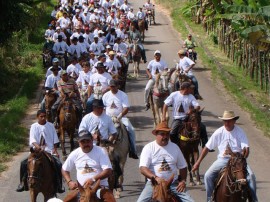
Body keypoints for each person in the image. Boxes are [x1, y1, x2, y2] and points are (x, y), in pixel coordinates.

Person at [192, 110, 258, 202]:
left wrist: (243, 156)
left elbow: (246, 147)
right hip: (222, 160)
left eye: (229, 120)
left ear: (234, 121)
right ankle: (210, 199)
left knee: (251, 176)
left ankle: (254, 200)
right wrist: (197, 163)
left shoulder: (240, 132)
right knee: (207, 176)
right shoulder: (219, 132)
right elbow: (207, 147)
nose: (227, 122)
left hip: (237, 160)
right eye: (225, 120)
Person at [137, 122, 194, 202]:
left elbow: (183, 166)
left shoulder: (175, 147)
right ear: (156, 134)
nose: (165, 136)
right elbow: (143, 168)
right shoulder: (149, 148)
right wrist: (155, 178)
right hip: (154, 185)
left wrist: (183, 181)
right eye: (162, 134)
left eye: (167, 134)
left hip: (173, 184)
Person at [16, 110, 64, 193]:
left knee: (59, 164)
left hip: (49, 150)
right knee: (23, 163)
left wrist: (55, 149)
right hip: (36, 151)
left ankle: (59, 184)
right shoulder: (34, 126)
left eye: (44, 116)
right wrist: (38, 147)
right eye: (41, 116)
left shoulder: (50, 125)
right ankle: (22, 183)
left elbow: (55, 139)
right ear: (37, 117)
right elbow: (32, 140)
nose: (43, 118)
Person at [62, 130, 116, 202]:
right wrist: (69, 182)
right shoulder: (75, 153)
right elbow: (64, 169)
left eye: (88, 141)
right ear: (79, 142)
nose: (86, 144)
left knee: (111, 199)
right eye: (83, 142)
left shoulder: (101, 151)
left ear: (92, 140)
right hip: (81, 190)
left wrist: (93, 179)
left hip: (100, 189)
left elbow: (108, 170)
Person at [102, 79, 139, 159]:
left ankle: (133, 150)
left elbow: (126, 108)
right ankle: (99, 148)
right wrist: (105, 116)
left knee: (131, 129)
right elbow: (104, 108)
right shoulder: (105, 95)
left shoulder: (123, 95)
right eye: (111, 86)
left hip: (120, 118)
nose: (112, 88)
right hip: (108, 118)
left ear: (117, 86)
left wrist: (119, 116)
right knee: (99, 130)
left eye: (114, 86)